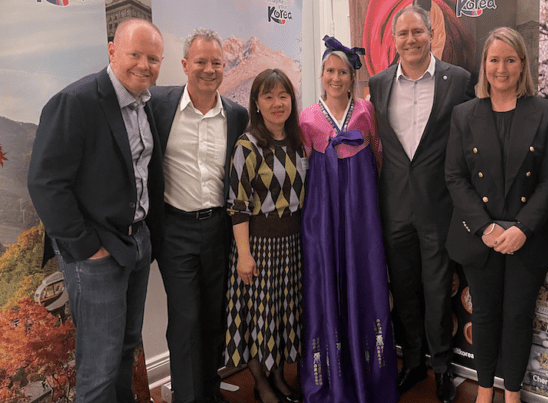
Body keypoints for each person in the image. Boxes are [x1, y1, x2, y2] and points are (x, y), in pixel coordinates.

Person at [27, 18, 164, 403]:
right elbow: (45, 182)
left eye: (153, 58)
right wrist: (87, 247)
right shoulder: (76, 101)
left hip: (136, 242)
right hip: (97, 252)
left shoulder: (144, 103)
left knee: (126, 347)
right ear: (112, 51)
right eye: (135, 54)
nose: (144, 65)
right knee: (99, 365)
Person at [445, 27, 548, 403]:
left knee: (517, 317)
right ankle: (484, 393)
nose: (501, 68)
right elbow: (455, 176)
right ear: (484, 65)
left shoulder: (545, 112)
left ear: (522, 65)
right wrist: (485, 227)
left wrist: (523, 228)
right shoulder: (464, 114)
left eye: (510, 60)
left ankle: (512, 395)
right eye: (494, 60)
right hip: (483, 237)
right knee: (484, 316)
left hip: (526, 239)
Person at [368, 4, 473, 402]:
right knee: (405, 290)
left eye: (417, 32)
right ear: (394, 40)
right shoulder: (378, 84)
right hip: (394, 208)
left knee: (437, 292)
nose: (410, 40)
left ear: (431, 34)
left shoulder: (458, 80)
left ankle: (442, 369)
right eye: (403, 34)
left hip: (439, 207)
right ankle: (413, 362)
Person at [150, 28, 248, 403]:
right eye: (201, 62)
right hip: (175, 230)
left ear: (224, 67)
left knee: (213, 317)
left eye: (216, 63)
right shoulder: (159, 106)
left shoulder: (236, 115)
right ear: (184, 64)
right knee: (186, 320)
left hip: (218, 229)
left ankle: (209, 391)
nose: (209, 69)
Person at [299, 36, 398, 403]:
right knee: (326, 283)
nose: (336, 78)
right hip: (323, 213)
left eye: (342, 72)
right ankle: (331, 378)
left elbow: (379, 157)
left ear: (352, 76)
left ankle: (369, 373)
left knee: (364, 277)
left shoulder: (366, 112)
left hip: (361, 212)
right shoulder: (307, 118)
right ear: (322, 74)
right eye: (329, 71)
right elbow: (304, 173)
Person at [225, 69, 306, 403]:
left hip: (292, 244)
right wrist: (244, 255)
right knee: (261, 317)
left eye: (283, 96)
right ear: (256, 103)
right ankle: (261, 383)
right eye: (268, 97)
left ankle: (279, 377)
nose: (277, 103)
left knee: (284, 315)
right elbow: (238, 205)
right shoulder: (248, 145)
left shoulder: (298, 141)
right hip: (259, 247)